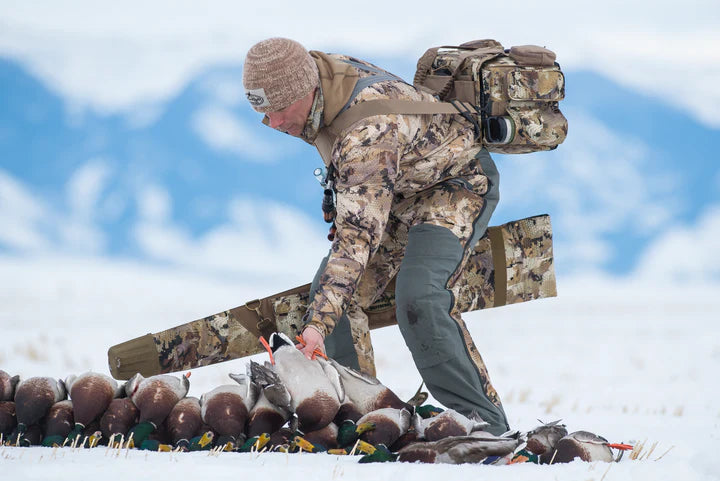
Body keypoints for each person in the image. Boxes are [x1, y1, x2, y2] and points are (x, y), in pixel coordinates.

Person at [242, 38, 509, 435]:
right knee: (330, 297)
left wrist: (315, 327)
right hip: (398, 193)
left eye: (279, 110)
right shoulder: (317, 80)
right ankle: (361, 418)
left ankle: (483, 427)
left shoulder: (366, 132)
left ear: (306, 90)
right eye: (263, 112)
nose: (274, 123)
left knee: (420, 297)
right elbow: (362, 206)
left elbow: (356, 241)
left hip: (455, 185)